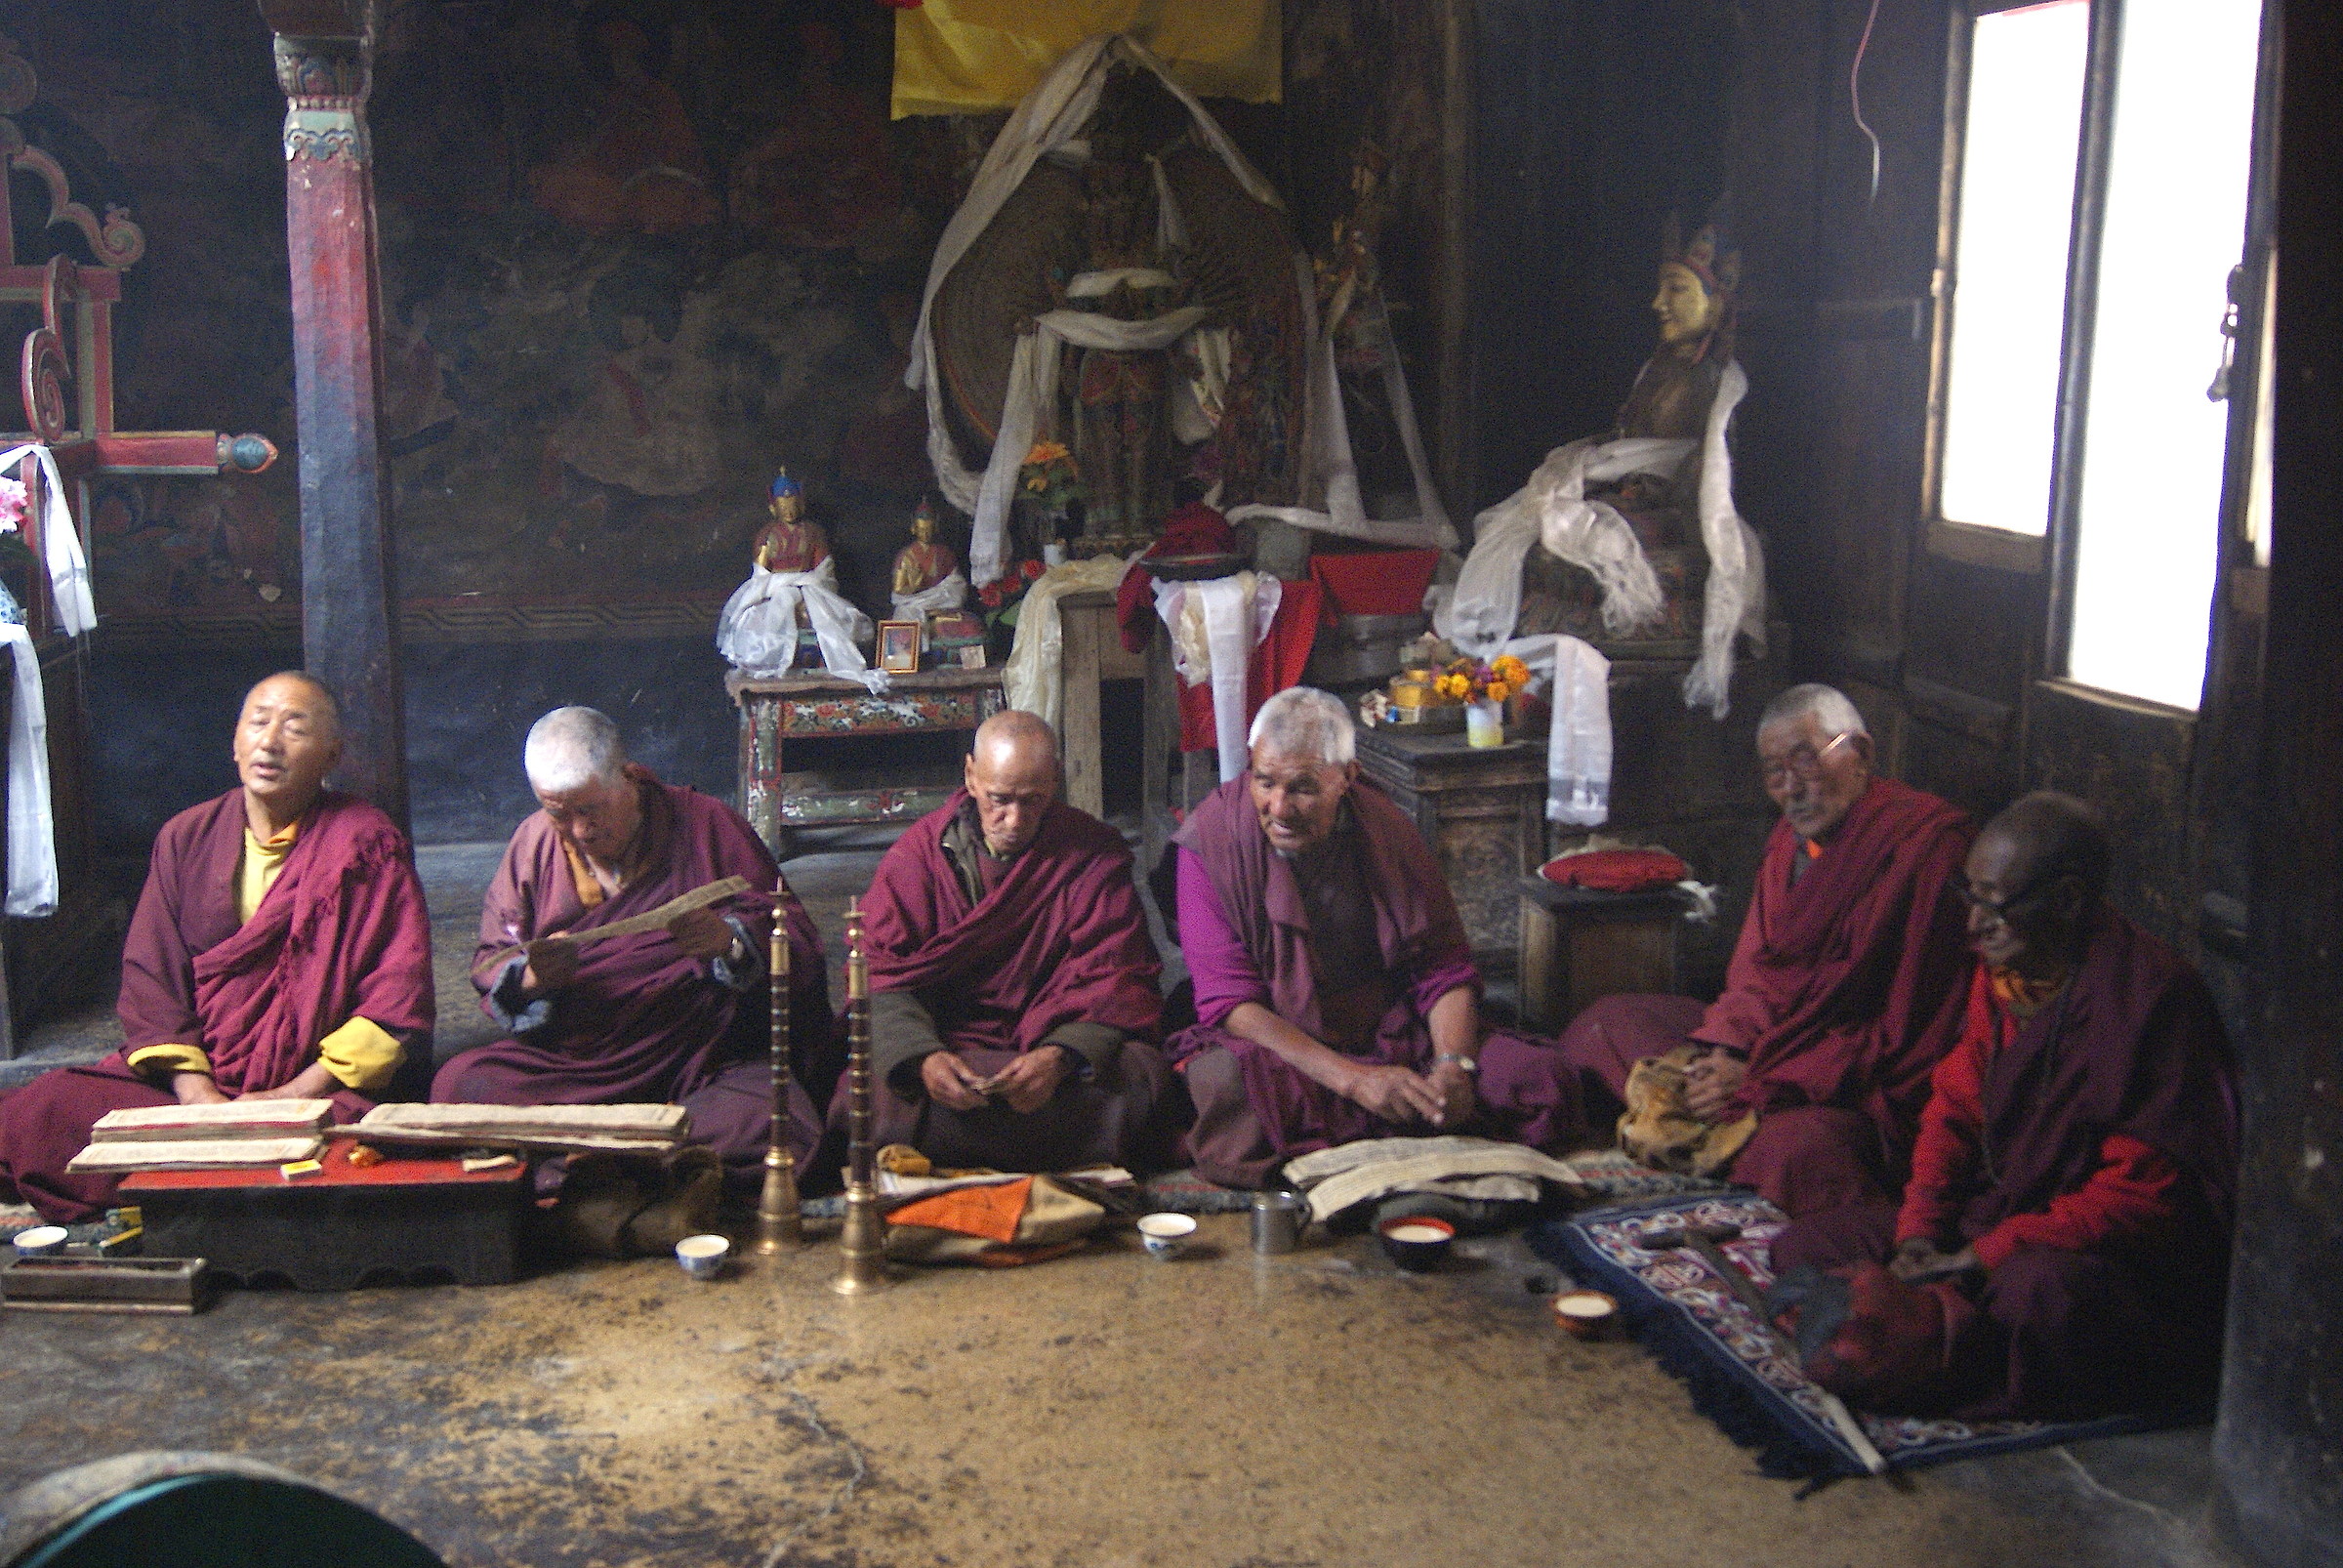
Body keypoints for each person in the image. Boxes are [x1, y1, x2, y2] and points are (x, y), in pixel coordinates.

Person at [1769, 793, 2237, 1420]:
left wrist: (1983, 1256)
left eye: (1994, 905)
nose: (1973, 926)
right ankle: (1924, 1337)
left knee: (2036, 1298)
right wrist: (1920, 1231)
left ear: (2068, 901)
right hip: (1993, 1216)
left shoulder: (2150, 996)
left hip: (2090, 1251)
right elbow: (1953, 1110)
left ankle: (1918, 1345)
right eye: (1971, 898)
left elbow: (2143, 1194)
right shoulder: (2007, 978)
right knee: (1808, 1245)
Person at [0, 673, 434, 1223]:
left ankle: (204, 1181)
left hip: (317, 1090)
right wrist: (198, 1095)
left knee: (360, 1156)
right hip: (198, 1084)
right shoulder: (187, 837)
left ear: (331, 756)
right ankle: (219, 1172)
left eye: (295, 728)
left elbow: (395, 994)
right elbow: (152, 981)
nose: (270, 741)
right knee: (44, 1110)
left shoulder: (365, 845)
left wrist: (293, 1096)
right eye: (258, 722)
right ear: (235, 742)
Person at [1555, 683, 1975, 1217]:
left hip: (1840, 1082)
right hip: (1773, 1049)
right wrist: (1725, 1051)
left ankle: (1729, 1144)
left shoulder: (1927, 850)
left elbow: (1910, 1035)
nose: (1791, 788)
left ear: (1861, 754)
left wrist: (1762, 1081)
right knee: (1606, 1023)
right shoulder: (1788, 843)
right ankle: (1720, 1131)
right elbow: (1756, 975)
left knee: (1800, 1151)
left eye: (1805, 761)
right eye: (1774, 772)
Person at [1165, 688, 1580, 1189]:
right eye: (1264, 782)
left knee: (1540, 1079)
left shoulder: (1384, 828)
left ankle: (1385, 1137)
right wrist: (1353, 1080)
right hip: (1282, 1046)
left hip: (1392, 1033)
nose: (1279, 808)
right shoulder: (1211, 841)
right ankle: (1401, 1138)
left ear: (1347, 779)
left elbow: (1441, 964)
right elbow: (1230, 1003)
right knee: (1225, 1093)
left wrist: (1453, 1066)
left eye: (1303, 788)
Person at [435, 708, 835, 1222]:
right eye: (558, 813)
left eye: (592, 810)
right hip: (577, 1066)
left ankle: (580, 1162)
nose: (578, 831)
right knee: (458, 1085)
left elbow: (791, 933)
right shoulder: (533, 843)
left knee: (776, 1122)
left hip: (697, 1057)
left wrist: (729, 944)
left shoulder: (707, 823)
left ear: (628, 777)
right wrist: (533, 980)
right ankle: (641, 1162)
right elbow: (493, 960)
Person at [850, 711, 1169, 1172]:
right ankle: (1059, 1153)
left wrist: (1062, 1056)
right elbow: (879, 976)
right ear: (971, 777)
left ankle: (949, 1149)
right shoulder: (916, 859)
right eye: (999, 799)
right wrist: (921, 1059)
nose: (1014, 820)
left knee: (1141, 1074)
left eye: (1033, 800)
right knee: (864, 1089)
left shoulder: (1092, 854)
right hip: (949, 1047)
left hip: (1051, 1057)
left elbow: (1120, 977)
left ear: (1055, 781)